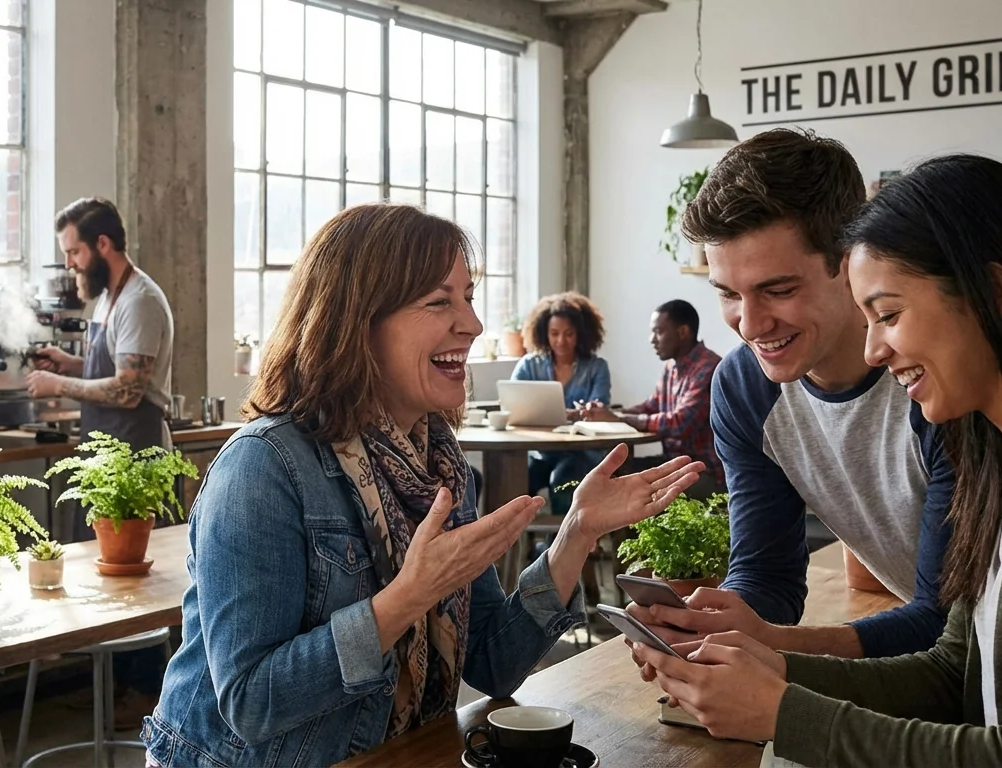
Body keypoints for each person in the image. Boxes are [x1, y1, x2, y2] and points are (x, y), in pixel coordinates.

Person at [141, 203, 704, 767]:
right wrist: (405, 599)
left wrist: (575, 534)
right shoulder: (262, 467)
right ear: (357, 321)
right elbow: (250, 703)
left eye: (468, 296)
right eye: (439, 301)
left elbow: (493, 661)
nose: (473, 324)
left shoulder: (438, 462)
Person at [635, 154, 1002, 766]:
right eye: (727, 294)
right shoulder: (1000, 454)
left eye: (886, 314)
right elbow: (955, 670)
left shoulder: (969, 419)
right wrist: (756, 655)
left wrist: (778, 702)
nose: (874, 346)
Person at [628, 128, 953, 663]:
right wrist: (718, 626)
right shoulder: (744, 387)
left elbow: (949, 619)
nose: (750, 325)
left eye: (778, 290)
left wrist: (776, 648)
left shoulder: (934, 375)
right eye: (729, 294)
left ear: (850, 261)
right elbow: (768, 576)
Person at [24, 196, 175, 728]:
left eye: (73, 252)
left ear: (102, 246)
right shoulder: (109, 299)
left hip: (133, 456)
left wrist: (57, 383)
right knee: (107, 580)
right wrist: (69, 362)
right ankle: (118, 685)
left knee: (132, 582)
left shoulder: (140, 301)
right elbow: (110, 367)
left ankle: (145, 691)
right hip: (104, 454)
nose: (69, 264)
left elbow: (131, 389)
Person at [581, 299, 724, 496]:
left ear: (683, 332)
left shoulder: (709, 368)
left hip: (702, 471)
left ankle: (620, 527)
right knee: (609, 476)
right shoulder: (671, 367)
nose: (652, 339)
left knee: (624, 487)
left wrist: (619, 419)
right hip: (672, 463)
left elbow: (680, 423)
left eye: (659, 332)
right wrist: (608, 413)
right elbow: (652, 406)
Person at [511, 292, 611, 513]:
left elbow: (599, 410)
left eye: (569, 334)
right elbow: (513, 404)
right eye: (554, 333)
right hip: (539, 452)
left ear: (581, 335)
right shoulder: (529, 365)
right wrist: (572, 413)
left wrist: (559, 413)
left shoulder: (597, 367)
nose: (561, 341)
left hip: (580, 453)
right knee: (512, 485)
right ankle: (518, 548)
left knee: (563, 483)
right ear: (544, 333)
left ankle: (558, 546)